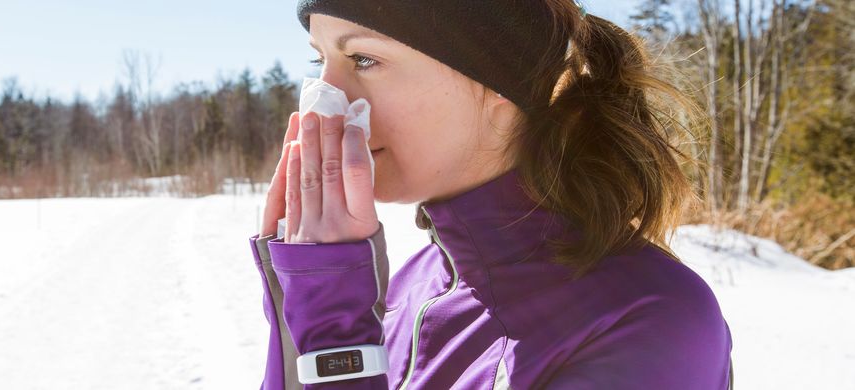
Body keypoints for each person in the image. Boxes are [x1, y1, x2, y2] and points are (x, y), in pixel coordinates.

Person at [248, 0, 734, 389]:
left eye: (364, 59)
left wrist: (333, 332)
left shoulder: (651, 320)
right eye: (318, 59)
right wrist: (304, 311)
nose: (322, 99)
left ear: (502, 82)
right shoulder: (410, 287)